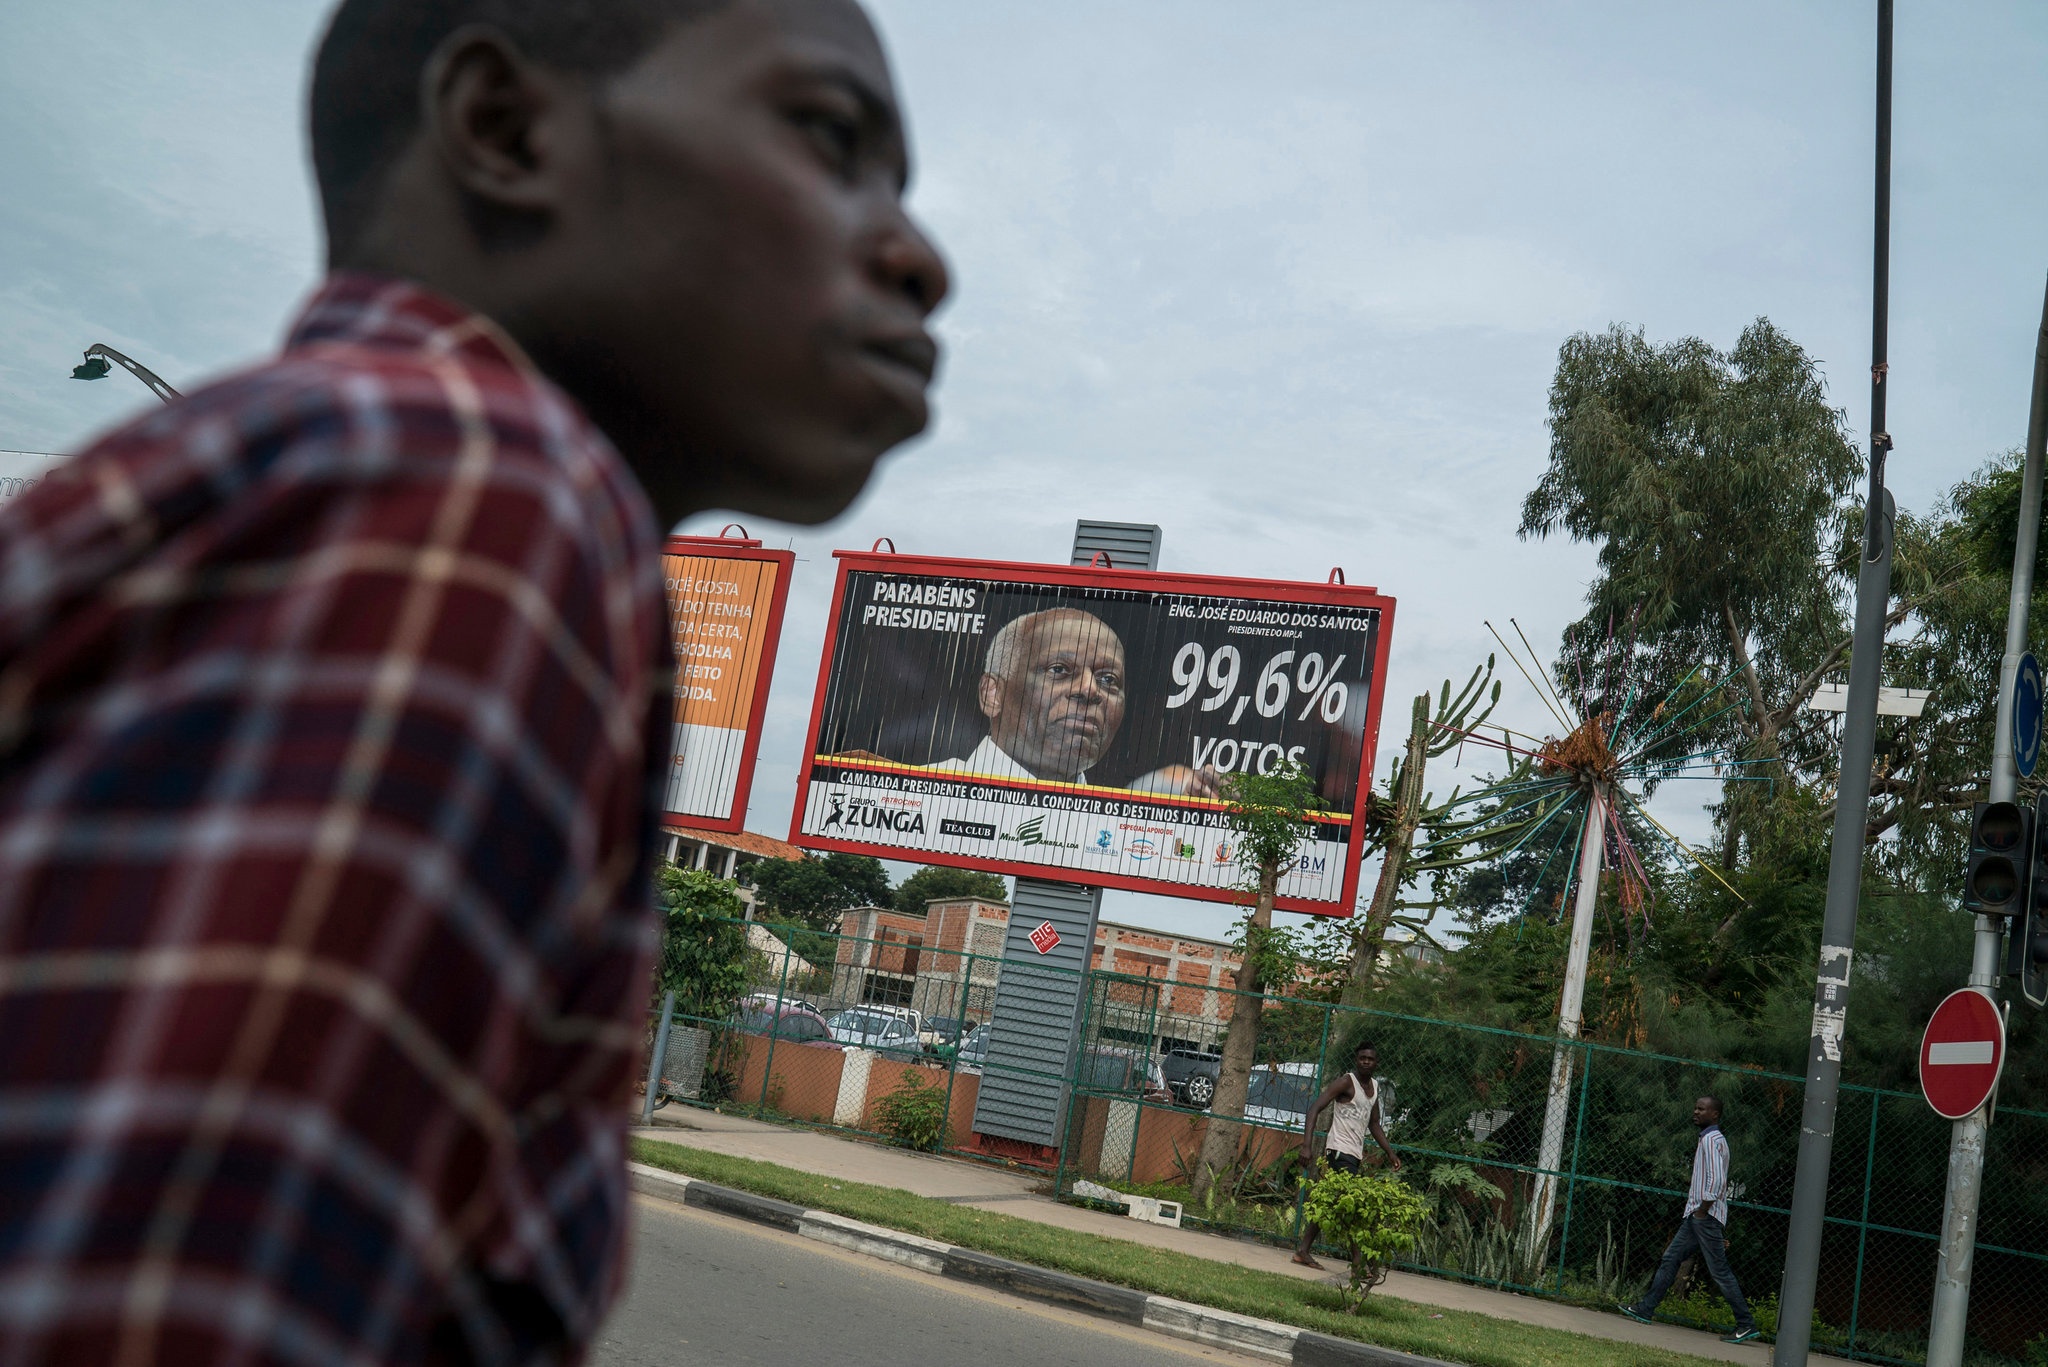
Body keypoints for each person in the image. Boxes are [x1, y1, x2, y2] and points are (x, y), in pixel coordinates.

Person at [0, 2, 946, 1364]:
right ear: (507, 130)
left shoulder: (327, 464)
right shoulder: (482, 495)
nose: (921, 257)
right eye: (829, 138)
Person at [933, 607, 1218, 794]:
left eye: (1108, 679)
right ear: (992, 694)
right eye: (1058, 670)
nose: (1090, 690)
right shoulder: (919, 794)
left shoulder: (1117, 829)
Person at [1621, 1096, 1761, 1344]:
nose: (1695, 1112)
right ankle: (1645, 1308)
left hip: (1704, 1217)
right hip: (1698, 1216)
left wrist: (1702, 1210)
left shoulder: (1712, 1140)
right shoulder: (1708, 1139)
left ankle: (1746, 1324)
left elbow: (1717, 1180)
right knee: (1670, 1258)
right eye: (1696, 1108)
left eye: (1701, 1109)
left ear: (1715, 1114)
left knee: (1719, 1271)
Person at [1292, 1042, 1401, 1270]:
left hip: (1354, 1154)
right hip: (1339, 1151)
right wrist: (1306, 1145)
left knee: (1331, 1201)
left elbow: (1374, 1124)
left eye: (1370, 1059)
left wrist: (1390, 1153)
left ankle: (1303, 1250)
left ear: (1376, 1062)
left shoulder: (1374, 1087)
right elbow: (1314, 1109)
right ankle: (1359, 1262)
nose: (1366, 1062)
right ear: (1356, 1060)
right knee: (1350, 1204)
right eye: (1362, 1058)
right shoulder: (1346, 1082)